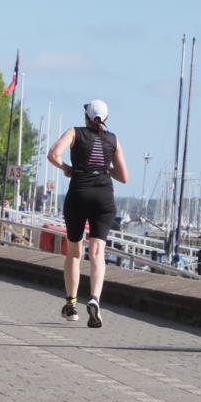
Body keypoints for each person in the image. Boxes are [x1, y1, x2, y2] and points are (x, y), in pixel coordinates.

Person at [46, 99, 128, 328]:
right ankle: (94, 298)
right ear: (106, 119)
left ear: (86, 117)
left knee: (74, 252)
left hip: (79, 194)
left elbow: (53, 154)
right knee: (97, 253)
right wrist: (103, 168)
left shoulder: (75, 132)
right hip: (104, 197)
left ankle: (71, 306)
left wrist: (67, 169)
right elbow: (123, 176)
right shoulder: (113, 139)